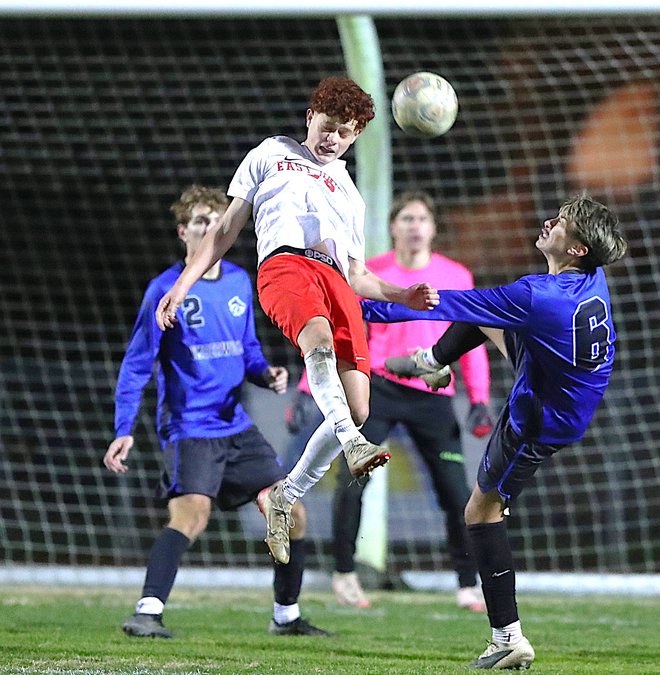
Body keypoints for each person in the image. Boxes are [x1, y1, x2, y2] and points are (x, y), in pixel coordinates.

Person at [152, 77, 439, 566]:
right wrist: (182, 285)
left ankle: (285, 495)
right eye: (327, 126)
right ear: (311, 117)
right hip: (285, 266)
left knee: (359, 406)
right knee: (319, 343)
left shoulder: (349, 191)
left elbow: (356, 274)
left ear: (356, 135)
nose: (333, 138)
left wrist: (401, 294)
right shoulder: (271, 153)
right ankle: (352, 444)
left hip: (336, 282)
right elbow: (226, 229)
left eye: (345, 132)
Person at [364, 194, 628, 670]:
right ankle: (431, 361)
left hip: (539, 418)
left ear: (577, 249)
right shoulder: (590, 277)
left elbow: (431, 307)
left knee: (481, 512)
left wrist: (353, 307)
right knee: (486, 312)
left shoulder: (537, 296)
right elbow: (486, 309)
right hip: (558, 383)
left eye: (561, 223)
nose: (548, 222)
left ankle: (508, 637)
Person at [104, 185, 327, 638]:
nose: (209, 228)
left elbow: (247, 349)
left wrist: (265, 374)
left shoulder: (240, 281)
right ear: (183, 232)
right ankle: (147, 612)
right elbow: (137, 363)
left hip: (235, 426)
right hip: (190, 427)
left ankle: (286, 617)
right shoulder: (164, 290)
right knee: (192, 515)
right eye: (199, 221)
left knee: (291, 511)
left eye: (216, 220)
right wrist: (124, 427)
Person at [285, 191, 494, 611]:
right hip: (377, 386)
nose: (415, 226)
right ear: (393, 227)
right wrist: (308, 388)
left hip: (432, 392)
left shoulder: (456, 275)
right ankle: (345, 575)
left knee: (456, 492)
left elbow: (471, 338)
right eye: (407, 219)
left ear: (433, 228)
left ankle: (467, 584)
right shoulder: (369, 273)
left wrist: (480, 397)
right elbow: (338, 330)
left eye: (422, 219)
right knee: (352, 481)